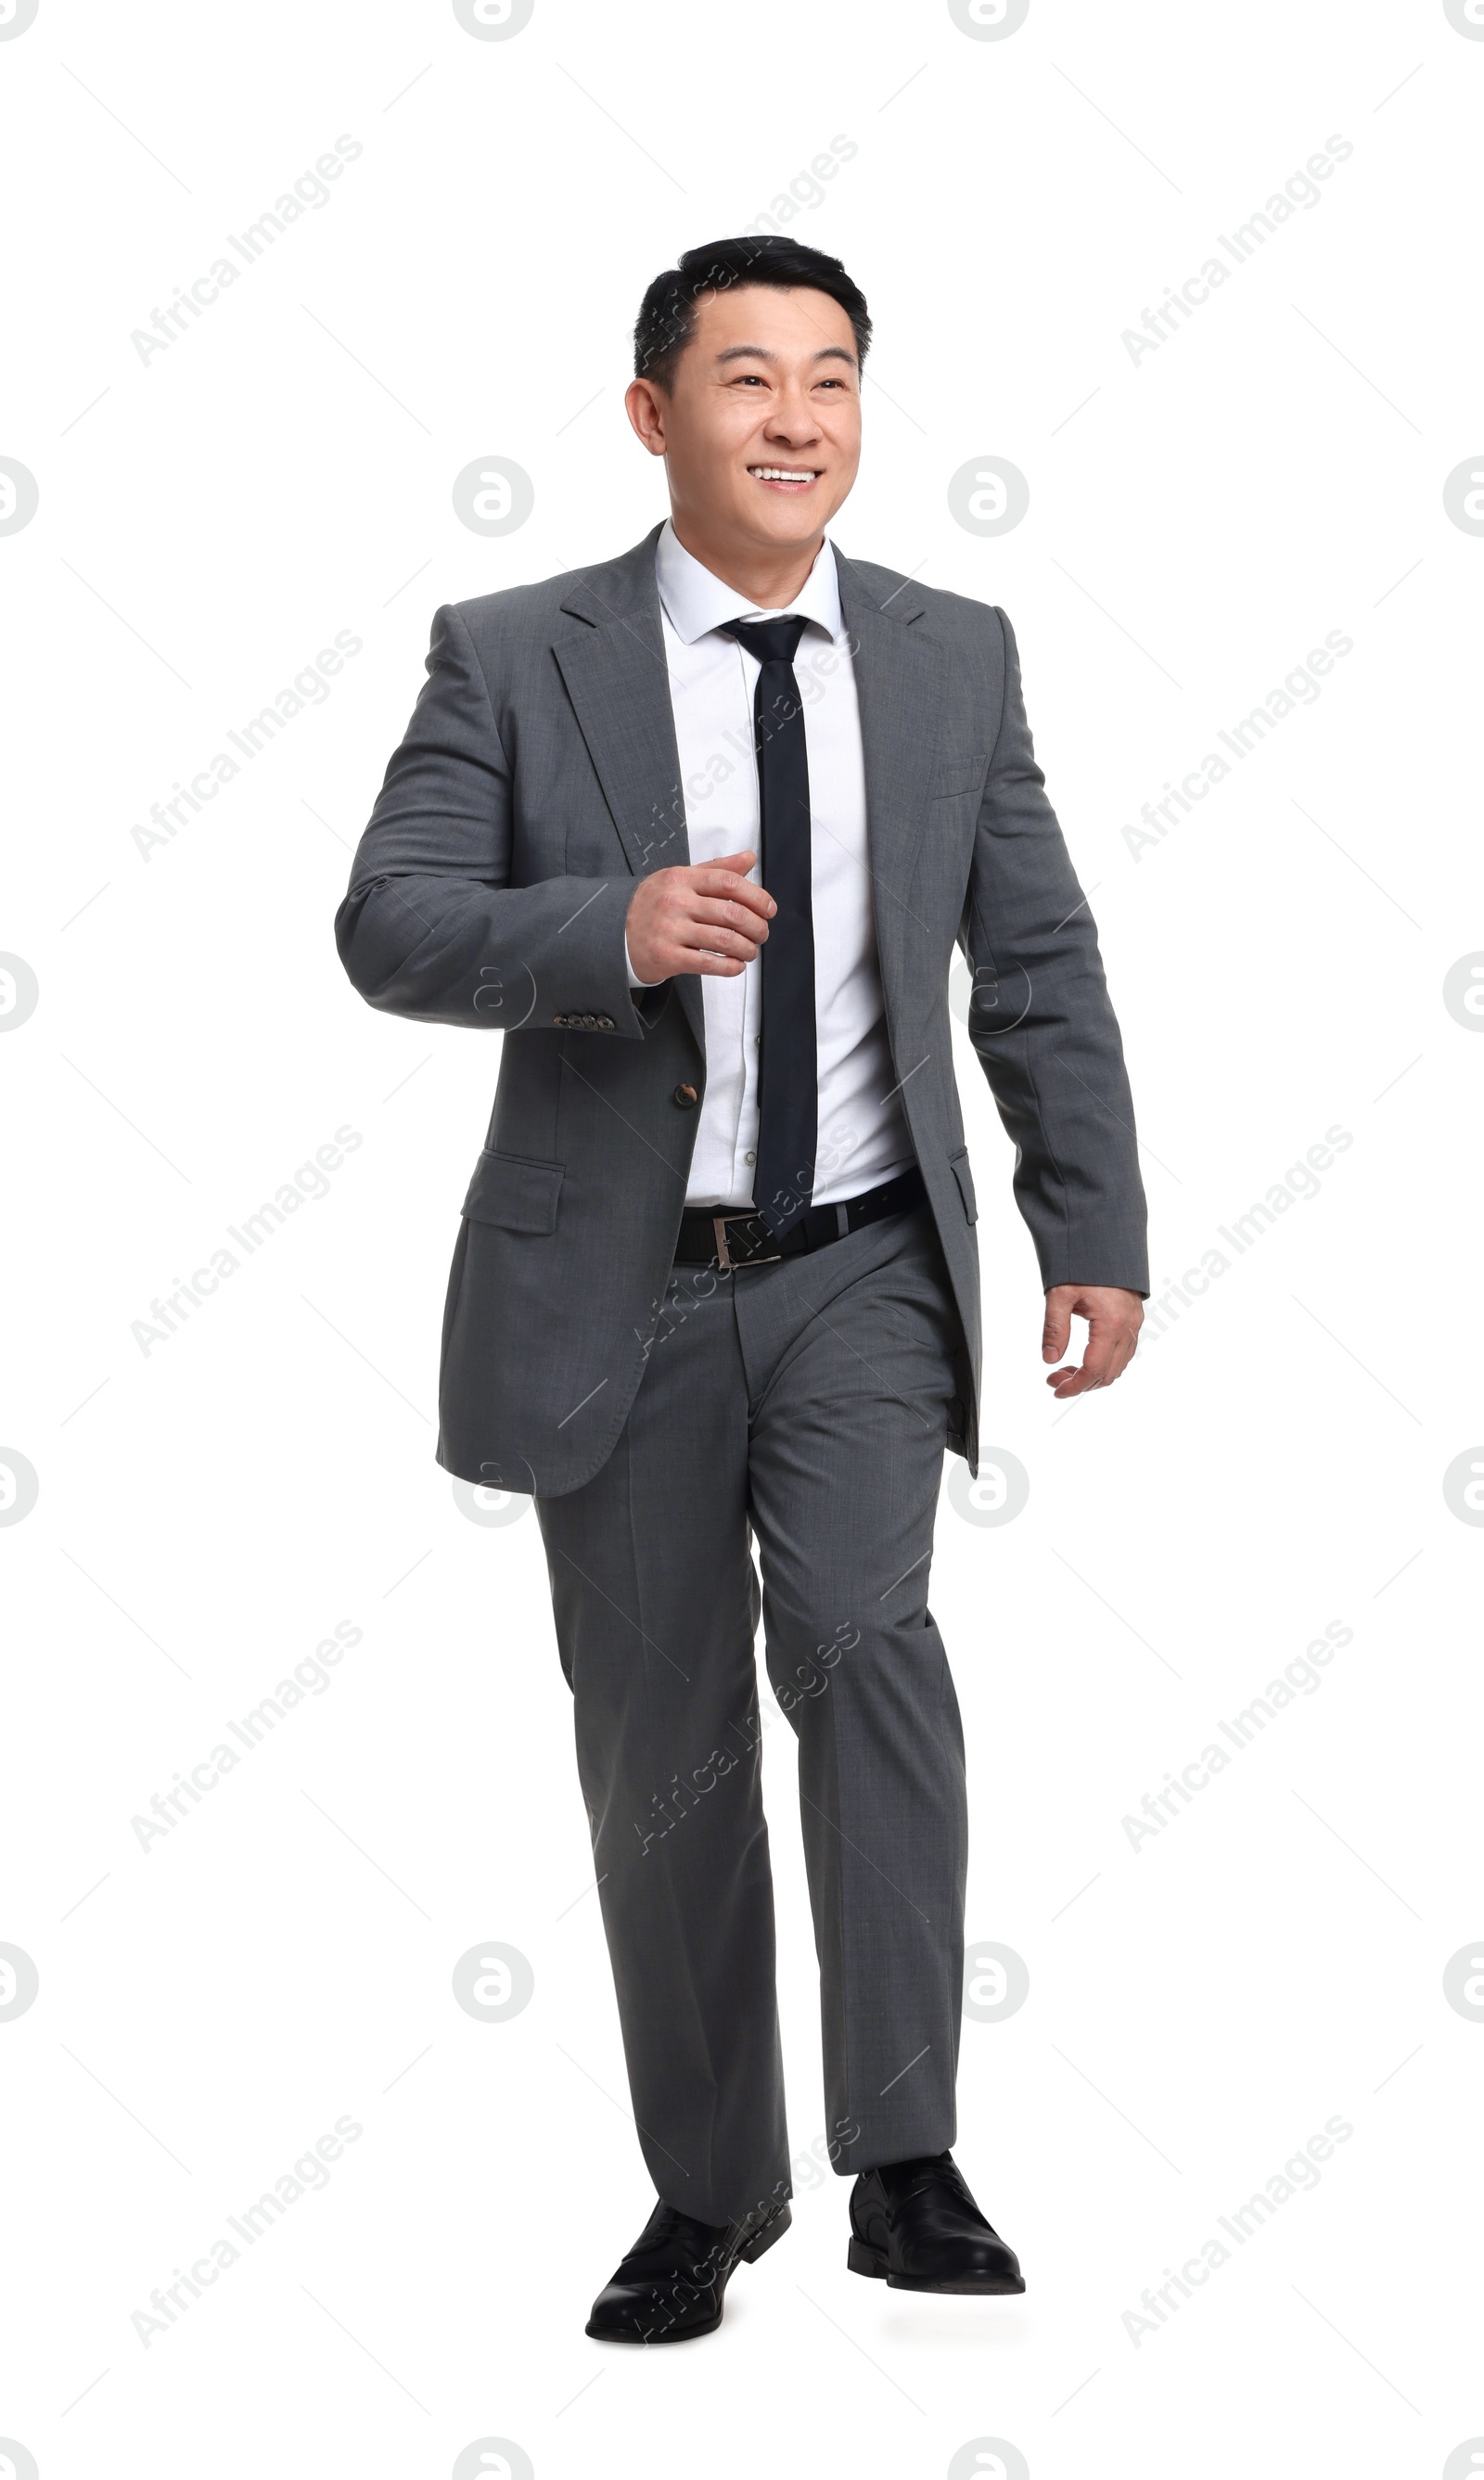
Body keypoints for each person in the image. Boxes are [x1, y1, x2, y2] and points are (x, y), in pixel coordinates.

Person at [335, 234, 1148, 2345]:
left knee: (870, 1646)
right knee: (662, 1743)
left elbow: (1035, 959)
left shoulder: (953, 651)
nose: (795, 420)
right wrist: (610, 924)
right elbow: (391, 921)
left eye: (832, 381)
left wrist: (1092, 1225)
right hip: (624, 1290)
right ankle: (710, 2188)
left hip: (865, 1264)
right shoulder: (515, 652)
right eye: (744, 381)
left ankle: (901, 2157)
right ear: (650, 417)